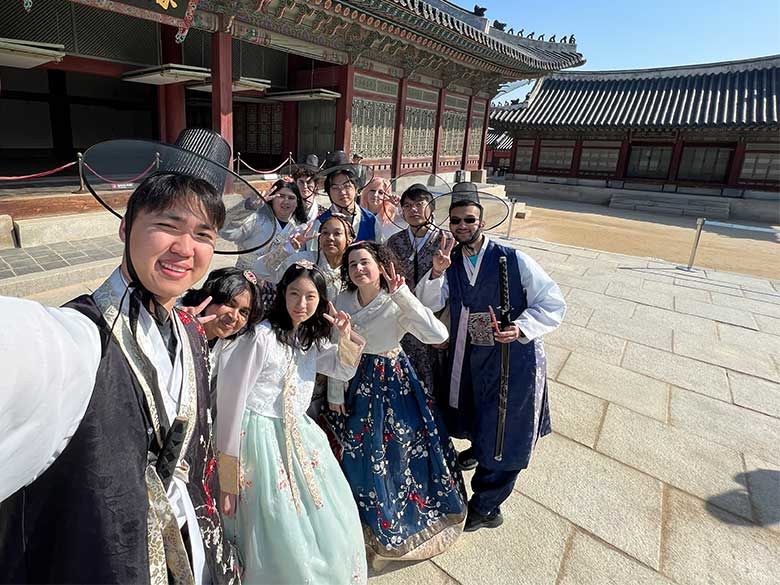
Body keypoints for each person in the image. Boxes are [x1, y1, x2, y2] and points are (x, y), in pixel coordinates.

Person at [0, 129, 241, 583]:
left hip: (187, 550)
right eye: (167, 225)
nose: (185, 249)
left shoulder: (188, 333)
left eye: (203, 234)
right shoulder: (80, 337)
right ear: (125, 227)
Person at [416, 182, 566, 532]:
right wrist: (437, 271)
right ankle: (479, 450)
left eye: (469, 219)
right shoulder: (449, 261)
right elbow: (431, 303)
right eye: (456, 221)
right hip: (468, 351)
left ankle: (486, 505)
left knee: (505, 428)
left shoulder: (513, 259)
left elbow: (553, 302)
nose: (462, 226)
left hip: (510, 355)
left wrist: (522, 327)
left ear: (481, 221)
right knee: (470, 408)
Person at [214, 263, 368, 585]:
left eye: (310, 296)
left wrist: (346, 336)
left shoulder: (309, 338)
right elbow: (230, 402)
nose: (301, 304)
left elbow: (342, 370)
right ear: (282, 294)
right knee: (272, 518)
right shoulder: (261, 336)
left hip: (299, 432)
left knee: (317, 514)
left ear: (321, 301)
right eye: (294, 294)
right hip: (257, 436)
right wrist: (227, 478)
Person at [326, 241, 467, 564]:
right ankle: (360, 514)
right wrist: (335, 392)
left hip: (393, 378)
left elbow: (436, 335)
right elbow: (339, 347)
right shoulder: (343, 299)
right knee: (359, 448)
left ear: (380, 265)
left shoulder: (396, 300)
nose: (359, 269)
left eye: (365, 262)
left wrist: (404, 295)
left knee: (399, 447)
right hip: (355, 377)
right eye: (352, 265)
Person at [386, 183, 449, 397]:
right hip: (402, 321)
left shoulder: (446, 241)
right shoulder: (394, 241)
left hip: (434, 319)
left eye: (420, 204)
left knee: (434, 377)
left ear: (431, 207)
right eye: (407, 205)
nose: (413, 210)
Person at [220, 178, 309, 271]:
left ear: (297, 202)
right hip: (248, 275)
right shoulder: (255, 219)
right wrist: (249, 205)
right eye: (281, 196)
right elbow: (226, 228)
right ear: (272, 198)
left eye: (291, 198)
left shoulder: (301, 228)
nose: (286, 201)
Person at [313, 150, 382, 244]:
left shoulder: (370, 220)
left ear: (356, 188)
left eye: (347, 186)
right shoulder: (320, 223)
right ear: (328, 192)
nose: (342, 192)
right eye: (335, 188)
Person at [291, 154, 327, 220]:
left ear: (316, 185)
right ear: (295, 183)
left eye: (309, 182)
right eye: (301, 182)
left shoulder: (324, 215)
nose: (305, 186)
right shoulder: (288, 212)